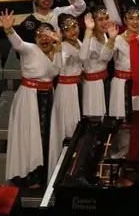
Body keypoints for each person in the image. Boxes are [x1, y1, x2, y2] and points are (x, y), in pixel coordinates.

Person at [0, 9, 61, 188]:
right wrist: (9, 30)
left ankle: (44, 174)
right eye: (39, 35)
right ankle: (29, 175)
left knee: (46, 136)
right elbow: (18, 45)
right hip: (29, 99)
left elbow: (56, 70)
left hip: (48, 97)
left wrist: (58, 45)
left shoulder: (57, 52)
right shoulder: (29, 50)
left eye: (47, 35)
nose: (43, 38)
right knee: (30, 137)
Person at [47, 14, 83, 177]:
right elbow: (57, 65)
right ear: (61, 32)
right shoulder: (63, 47)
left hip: (77, 88)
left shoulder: (79, 43)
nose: (72, 31)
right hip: (67, 90)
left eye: (74, 26)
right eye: (67, 29)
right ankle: (61, 173)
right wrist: (59, 44)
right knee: (68, 128)